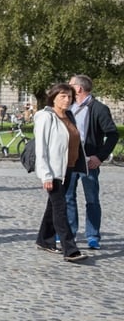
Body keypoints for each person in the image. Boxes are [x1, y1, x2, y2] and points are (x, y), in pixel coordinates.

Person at [33, 83, 89, 262]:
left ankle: (45, 239)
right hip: (53, 170)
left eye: (70, 97)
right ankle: (70, 249)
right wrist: (46, 175)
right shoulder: (45, 117)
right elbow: (41, 148)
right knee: (60, 208)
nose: (67, 100)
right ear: (54, 97)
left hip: (68, 168)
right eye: (63, 96)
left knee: (53, 207)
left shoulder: (69, 116)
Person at [65, 74, 119, 249]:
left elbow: (112, 134)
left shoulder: (99, 108)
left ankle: (93, 235)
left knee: (92, 199)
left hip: (89, 160)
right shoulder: (68, 107)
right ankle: (70, 233)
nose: (67, 87)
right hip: (70, 159)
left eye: (70, 84)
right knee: (68, 198)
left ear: (78, 89)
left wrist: (99, 156)